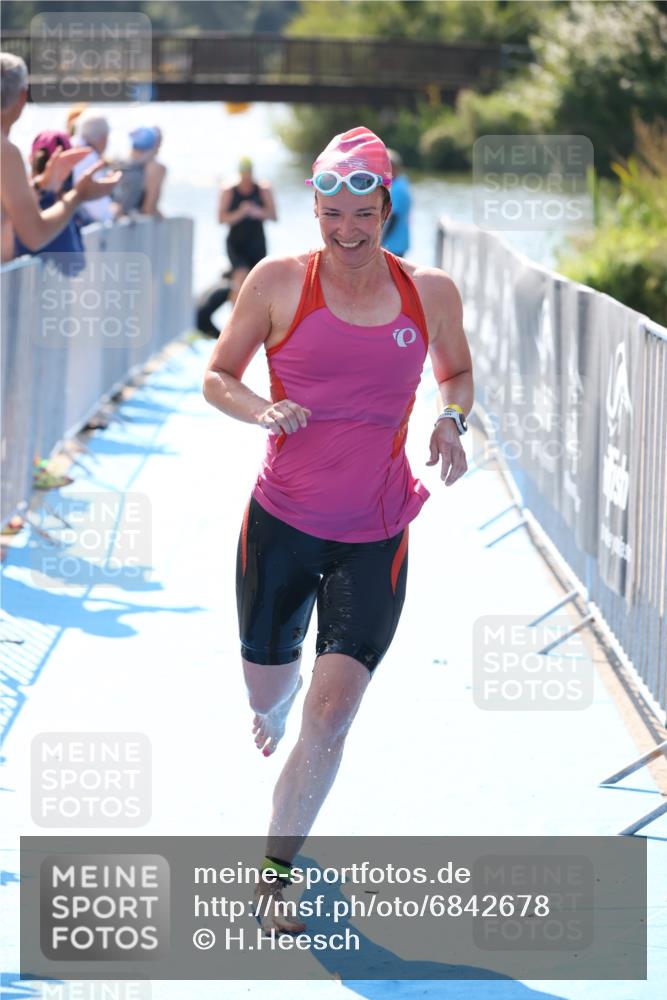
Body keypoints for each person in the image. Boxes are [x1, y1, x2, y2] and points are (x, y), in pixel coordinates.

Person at [203, 125, 473, 934]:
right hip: (281, 527)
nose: (348, 230)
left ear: (387, 205)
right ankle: (273, 698)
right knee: (272, 689)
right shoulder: (278, 281)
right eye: (331, 214)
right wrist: (263, 410)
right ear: (314, 210)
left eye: (363, 213)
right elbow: (218, 376)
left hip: (377, 529)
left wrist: (451, 418)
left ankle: (275, 872)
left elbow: (454, 372)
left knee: (335, 711)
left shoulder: (430, 291)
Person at [0, 53, 121, 264]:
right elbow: (36, 235)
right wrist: (78, 195)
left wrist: (40, 185)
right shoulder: (6, 153)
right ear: (22, 97)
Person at [14, 130, 87, 276]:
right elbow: (74, 265)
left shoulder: (13, 195)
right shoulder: (56, 205)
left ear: (31, 159)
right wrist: (74, 198)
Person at [217, 156, 276, 303]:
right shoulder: (229, 190)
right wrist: (241, 213)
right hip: (236, 244)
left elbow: (274, 216)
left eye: (248, 172)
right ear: (239, 173)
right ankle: (234, 320)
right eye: (243, 173)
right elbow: (221, 219)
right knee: (240, 275)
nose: (246, 176)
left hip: (257, 243)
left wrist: (257, 212)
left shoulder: (263, 189)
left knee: (258, 281)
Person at [71, 110, 118, 225]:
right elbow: (98, 211)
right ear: (103, 139)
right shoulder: (89, 157)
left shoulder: (71, 146)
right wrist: (115, 212)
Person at [111, 126, 166, 217]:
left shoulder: (116, 163)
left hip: (109, 217)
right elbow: (148, 209)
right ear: (155, 145)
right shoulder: (156, 168)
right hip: (129, 225)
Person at [382, 147, 411, 257]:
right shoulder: (403, 182)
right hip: (401, 242)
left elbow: (394, 216)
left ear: (393, 167)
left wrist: (381, 241)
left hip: (392, 244)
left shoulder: (396, 189)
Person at [194, 266, 233, 338]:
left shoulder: (219, 285)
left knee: (221, 337)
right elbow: (235, 309)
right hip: (201, 318)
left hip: (196, 315)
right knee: (223, 338)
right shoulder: (228, 287)